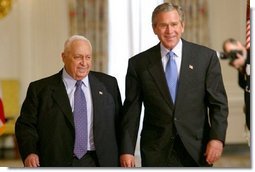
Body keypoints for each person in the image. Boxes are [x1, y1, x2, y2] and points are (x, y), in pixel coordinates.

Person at [120, 2, 228, 167]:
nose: (169, 31)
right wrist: (127, 150)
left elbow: (218, 105)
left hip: (197, 149)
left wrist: (217, 139)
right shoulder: (139, 64)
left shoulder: (205, 58)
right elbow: (132, 111)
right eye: (163, 25)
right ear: (155, 28)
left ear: (182, 26)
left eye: (174, 24)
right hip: (156, 151)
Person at [15, 35, 122, 167]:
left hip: (100, 161)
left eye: (88, 57)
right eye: (78, 57)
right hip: (57, 161)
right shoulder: (39, 89)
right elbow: (26, 126)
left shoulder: (108, 84)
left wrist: (126, 152)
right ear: (63, 57)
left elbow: (120, 123)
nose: (84, 62)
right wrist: (30, 152)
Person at [222, 38, 250, 130]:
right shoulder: (243, 64)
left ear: (239, 44)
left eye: (233, 51)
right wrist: (240, 68)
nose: (234, 55)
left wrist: (245, 62)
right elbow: (243, 85)